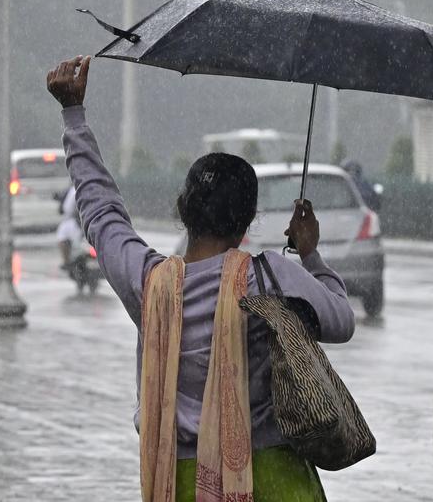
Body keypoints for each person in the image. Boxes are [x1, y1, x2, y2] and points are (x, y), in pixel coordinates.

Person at [47, 55, 356, 501]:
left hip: (180, 482)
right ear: (248, 220)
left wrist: (73, 115)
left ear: (183, 210)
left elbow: (100, 212)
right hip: (276, 480)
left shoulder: (150, 285)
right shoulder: (268, 277)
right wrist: (311, 255)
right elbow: (341, 321)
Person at [54, 184, 81, 269]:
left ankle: (68, 261)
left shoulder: (77, 190)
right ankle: (67, 261)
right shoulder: (72, 190)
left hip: (77, 221)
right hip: (72, 220)